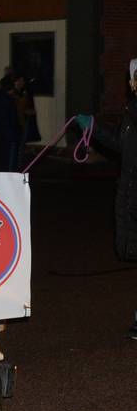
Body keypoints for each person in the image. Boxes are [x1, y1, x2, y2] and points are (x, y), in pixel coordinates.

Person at [77, 59, 137, 340]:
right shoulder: (132, 112)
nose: (130, 83)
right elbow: (121, 145)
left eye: (132, 78)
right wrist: (94, 127)